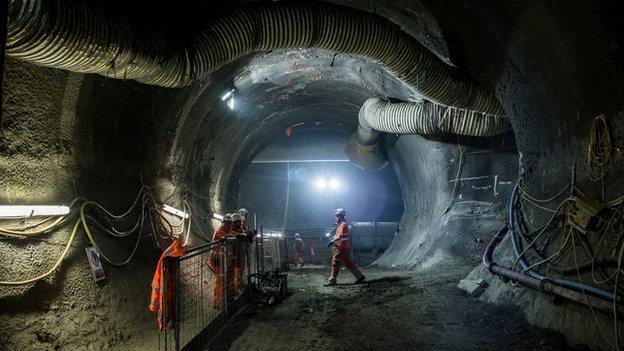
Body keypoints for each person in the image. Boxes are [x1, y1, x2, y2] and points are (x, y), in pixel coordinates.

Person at [324, 208, 365, 286]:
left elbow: (342, 237)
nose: (336, 218)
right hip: (344, 247)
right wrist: (333, 240)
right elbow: (338, 236)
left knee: (335, 261)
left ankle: (332, 280)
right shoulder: (341, 225)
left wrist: (332, 241)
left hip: (342, 247)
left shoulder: (343, 225)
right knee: (348, 262)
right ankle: (359, 276)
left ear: (341, 216)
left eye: (337, 216)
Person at [207, 213, 235, 308]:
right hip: (217, 260)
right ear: (223, 223)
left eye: (230, 223)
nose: (229, 225)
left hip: (224, 260)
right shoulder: (219, 233)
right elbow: (226, 238)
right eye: (227, 223)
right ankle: (217, 303)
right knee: (221, 280)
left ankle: (224, 299)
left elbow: (232, 237)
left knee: (225, 279)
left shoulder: (229, 231)